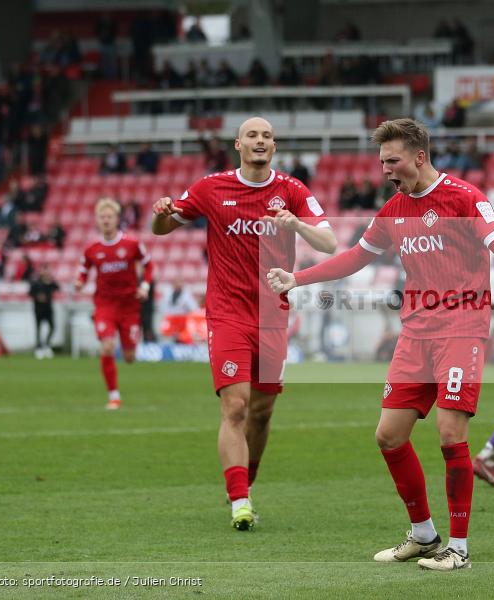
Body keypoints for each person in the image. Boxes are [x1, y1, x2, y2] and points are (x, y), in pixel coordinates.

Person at [266, 118, 494, 571]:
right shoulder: (393, 211)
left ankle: (458, 548)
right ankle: (424, 534)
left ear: (419, 157)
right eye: (382, 162)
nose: (385, 170)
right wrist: (297, 278)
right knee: (388, 435)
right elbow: (355, 257)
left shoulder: (464, 197)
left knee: (449, 433)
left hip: (462, 329)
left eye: (392, 161)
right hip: (416, 334)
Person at [151, 116, 337, 532]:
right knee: (235, 405)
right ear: (238, 144)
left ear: (274, 146)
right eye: (252, 135)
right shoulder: (211, 187)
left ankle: (245, 486)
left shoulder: (291, 191)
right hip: (227, 313)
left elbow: (330, 242)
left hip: (273, 317)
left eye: (267, 136)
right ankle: (239, 500)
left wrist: (296, 224)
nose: (260, 141)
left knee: (262, 411)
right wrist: (162, 212)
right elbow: (162, 228)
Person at [75, 198, 154, 410]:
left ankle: (129, 348)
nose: (106, 220)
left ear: (117, 219)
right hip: (105, 305)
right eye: (102, 217)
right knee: (107, 346)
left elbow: (148, 266)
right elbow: (84, 269)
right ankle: (114, 396)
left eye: (109, 217)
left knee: (129, 357)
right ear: (98, 221)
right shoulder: (92, 248)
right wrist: (80, 282)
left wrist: (144, 287)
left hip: (129, 306)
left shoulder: (132, 244)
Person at [29, 264, 59, 359]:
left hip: (48, 309)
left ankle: (46, 344)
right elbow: (30, 293)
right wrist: (38, 297)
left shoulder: (50, 283)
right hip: (38, 309)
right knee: (38, 329)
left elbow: (58, 288)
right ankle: (38, 348)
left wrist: (50, 281)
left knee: (52, 327)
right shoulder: (36, 282)